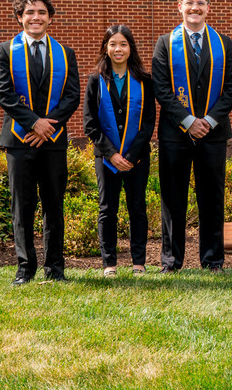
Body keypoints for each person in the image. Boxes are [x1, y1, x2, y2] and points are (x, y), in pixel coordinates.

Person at [152, 0, 232, 273]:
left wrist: (209, 121)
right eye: (189, 3)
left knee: (212, 197)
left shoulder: (224, 44)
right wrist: (189, 121)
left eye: (200, 3)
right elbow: (161, 89)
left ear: (208, 9)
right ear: (180, 7)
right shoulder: (165, 43)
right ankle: (171, 261)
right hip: (175, 134)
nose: (195, 8)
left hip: (213, 134)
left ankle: (213, 260)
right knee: (173, 198)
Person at [0, 0, 80, 286]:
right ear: (20, 17)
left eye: (42, 12)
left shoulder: (65, 53)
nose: (36, 17)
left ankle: (55, 268)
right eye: (29, 12)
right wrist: (34, 124)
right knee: (23, 206)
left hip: (53, 142)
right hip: (19, 140)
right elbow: (3, 93)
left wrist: (47, 128)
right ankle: (25, 268)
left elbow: (72, 96)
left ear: (50, 18)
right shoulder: (5, 50)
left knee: (54, 205)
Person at [83, 25, 156, 277]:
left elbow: (148, 122)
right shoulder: (96, 80)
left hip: (137, 157)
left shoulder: (144, 81)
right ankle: (109, 264)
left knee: (137, 208)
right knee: (108, 209)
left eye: (123, 44)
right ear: (105, 48)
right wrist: (112, 154)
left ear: (130, 48)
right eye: (113, 44)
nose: (118, 49)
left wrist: (131, 155)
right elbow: (90, 123)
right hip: (106, 158)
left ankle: (139, 262)